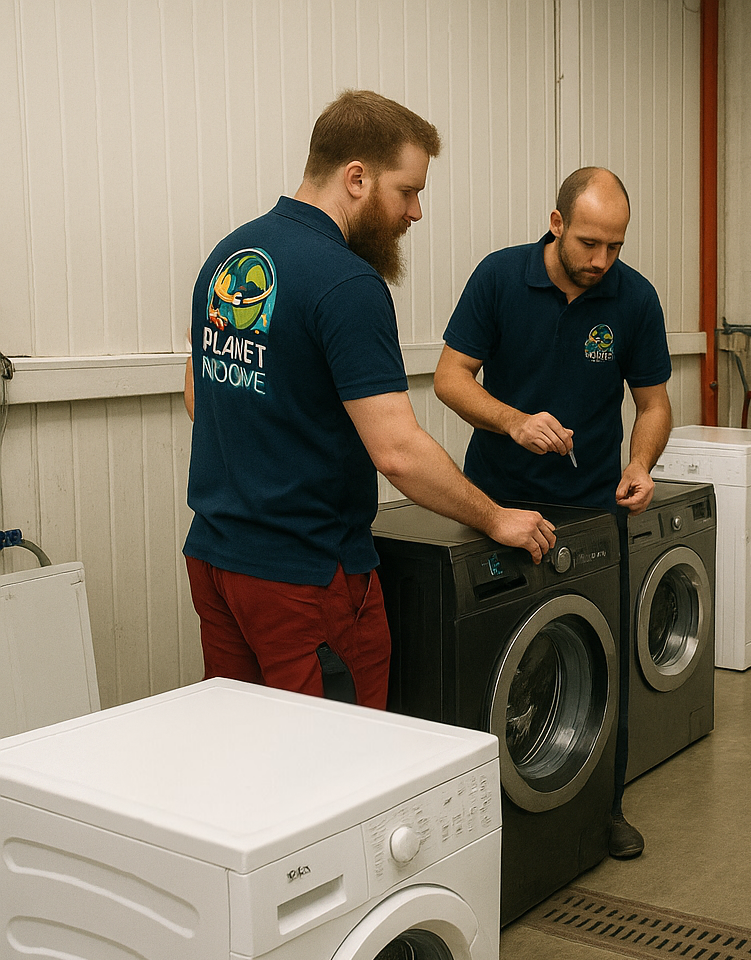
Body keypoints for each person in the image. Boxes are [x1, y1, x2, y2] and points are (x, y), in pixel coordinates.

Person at [183, 89, 556, 711]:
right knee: (338, 752)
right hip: (306, 577)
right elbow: (398, 452)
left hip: (216, 562)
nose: (415, 212)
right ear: (356, 178)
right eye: (407, 191)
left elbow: (202, 396)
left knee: (245, 739)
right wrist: (497, 518)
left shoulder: (229, 256)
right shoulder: (347, 282)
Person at [434, 166, 673, 859]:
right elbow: (450, 378)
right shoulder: (499, 278)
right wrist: (513, 421)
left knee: (596, 658)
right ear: (557, 223)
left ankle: (604, 811)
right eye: (590, 243)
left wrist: (640, 464)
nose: (602, 260)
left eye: (615, 246)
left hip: (592, 510)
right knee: (500, 661)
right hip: (495, 507)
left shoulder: (635, 298)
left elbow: (653, 404)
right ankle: (484, 826)